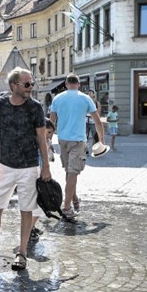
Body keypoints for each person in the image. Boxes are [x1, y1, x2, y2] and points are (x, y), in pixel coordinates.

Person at [0, 67, 51, 271]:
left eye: (31, 84)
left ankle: (22, 253)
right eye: (27, 84)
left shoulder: (35, 107)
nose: (30, 88)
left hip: (29, 166)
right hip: (5, 165)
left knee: (26, 210)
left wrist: (46, 167)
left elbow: (41, 139)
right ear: (13, 86)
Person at [49, 74, 106, 220]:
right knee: (72, 174)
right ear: (79, 84)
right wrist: (101, 141)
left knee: (69, 174)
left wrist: (48, 140)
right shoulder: (86, 98)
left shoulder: (57, 99)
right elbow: (98, 122)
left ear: (66, 84)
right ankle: (66, 208)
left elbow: (50, 123)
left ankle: (74, 200)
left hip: (62, 140)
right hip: (78, 141)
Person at [30, 118, 55, 242]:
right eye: (49, 132)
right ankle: (29, 229)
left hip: (40, 177)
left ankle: (31, 227)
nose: (50, 135)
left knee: (39, 204)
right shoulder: (39, 142)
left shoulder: (45, 142)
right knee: (40, 205)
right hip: (37, 177)